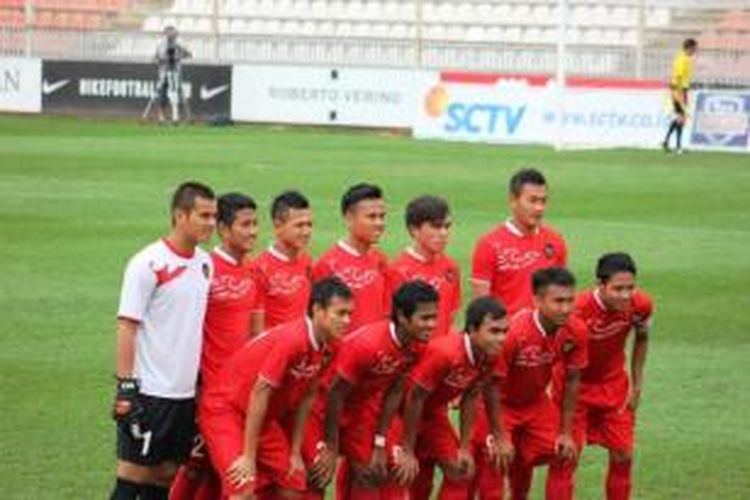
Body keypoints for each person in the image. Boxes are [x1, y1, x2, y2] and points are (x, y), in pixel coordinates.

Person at [198, 278, 354, 499]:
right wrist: (248, 456)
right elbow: (260, 392)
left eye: (350, 314)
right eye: (340, 313)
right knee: (242, 488)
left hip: (261, 418)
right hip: (225, 411)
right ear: (317, 309)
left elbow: (307, 396)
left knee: (293, 484)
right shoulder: (293, 339)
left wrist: (294, 451)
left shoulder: (330, 345)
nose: (347, 320)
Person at [111, 181, 216, 500]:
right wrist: (126, 388)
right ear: (180, 216)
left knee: (166, 475)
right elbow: (127, 326)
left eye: (214, 216)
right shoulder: (148, 263)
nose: (211, 223)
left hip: (183, 393)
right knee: (132, 474)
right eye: (203, 215)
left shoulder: (204, 263)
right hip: (151, 391)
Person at [312, 281, 439, 498]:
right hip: (324, 406)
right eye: (425, 318)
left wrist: (379, 443)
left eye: (434, 317)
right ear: (401, 316)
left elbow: (395, 391)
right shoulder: (368, 345)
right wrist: (332, 446)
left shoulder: (417, 345)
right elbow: (335, 393)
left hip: (363, 407)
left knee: (389, 469)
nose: (432, 325)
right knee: (329, 475)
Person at [169, 192, 260, 500]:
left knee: (216, 469)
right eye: (245, 224)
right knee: (195, 466)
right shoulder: (205, 269)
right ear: (223, 229)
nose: (253, 232)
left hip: (241, 393)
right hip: (209, 392)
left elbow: (255, 336)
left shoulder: (252, 269)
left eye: (255, 224)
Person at [472, 267, 587, 500]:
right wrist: (500, 435)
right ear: (537, 300)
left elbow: (573, 379)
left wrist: (566, 432)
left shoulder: (576, 330)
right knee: (496, 459)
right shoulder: (514, 333)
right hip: (499, 404)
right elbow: (491, 386)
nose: (565, 308)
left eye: (569, 300)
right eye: (558, 301)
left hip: (535, 403)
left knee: (564, 452)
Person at [546, 253, 653, 500]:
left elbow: (643, 338)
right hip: (574, 390)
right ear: (600, 285)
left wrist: (637, 385)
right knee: (565, 458)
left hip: (614, 387)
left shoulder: (642, 305)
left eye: (630, 287)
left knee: (623, 455)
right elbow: (554, 354)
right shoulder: (576, 312)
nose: (626, 295)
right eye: (618, 289)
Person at [397, 297, 510, 500]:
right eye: (494, 331)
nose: (501, 338)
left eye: (504, 331)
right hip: (399, 413)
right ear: (472, 330)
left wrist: (464, 447)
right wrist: (407, 449)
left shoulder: (489, 354)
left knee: (461, 470)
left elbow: (471, 395)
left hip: (431, 414)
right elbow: (414, 398)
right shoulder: (446, 353)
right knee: (396, 474)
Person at [471, 168, 567, 316]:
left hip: (544, 335)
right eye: (532, 200)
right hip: (506, 335)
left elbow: (562, 294)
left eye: (543, 201)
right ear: (513, 200)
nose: (539, 208)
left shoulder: (555, 242)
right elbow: (481, 306)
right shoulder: (489, 245)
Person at [313, 183, 390, 331]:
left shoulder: (381, 260)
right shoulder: (327, 265)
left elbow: (386, 313)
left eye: (382, 216)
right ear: (349, 218)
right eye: (371, 217)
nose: (379, 223)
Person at [388, 195, 461, 338]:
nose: (443, 233)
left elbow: (450, 316)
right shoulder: (398, 271)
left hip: (441, 353)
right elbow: (393, 325)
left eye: (447, 227)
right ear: (414, 229)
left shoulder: (451, 267)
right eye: (436, 226)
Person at [252, 190, 314, 334]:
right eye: (299, 225)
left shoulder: (307, 262)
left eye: (309, 224)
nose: (306, 231)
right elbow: (256, 331)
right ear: (278, 225)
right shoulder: (259, 268)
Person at [662, 38, 698, 154]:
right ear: (690, 47)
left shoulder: (683, 58)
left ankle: (667, 142)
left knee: (680, 118)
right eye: (694, 48)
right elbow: (678, 76)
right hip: (679, 90)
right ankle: (677, 146)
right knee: (681, 118)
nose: (695, 50)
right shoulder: (683, 59)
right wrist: (679, 93)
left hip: (680, 89)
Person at [154, 26, 192, 123]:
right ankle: (161, 116)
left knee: (178, 94)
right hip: (163, 73)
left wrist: (178, 57)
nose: (172, 36)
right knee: (162, 94)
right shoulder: (160, 45)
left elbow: (189, 54)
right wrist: (163, 60)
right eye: (170, 34)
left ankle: (179, 116)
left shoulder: (178, 45)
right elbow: (155, 58)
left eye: (174, 34)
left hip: (175, 72)